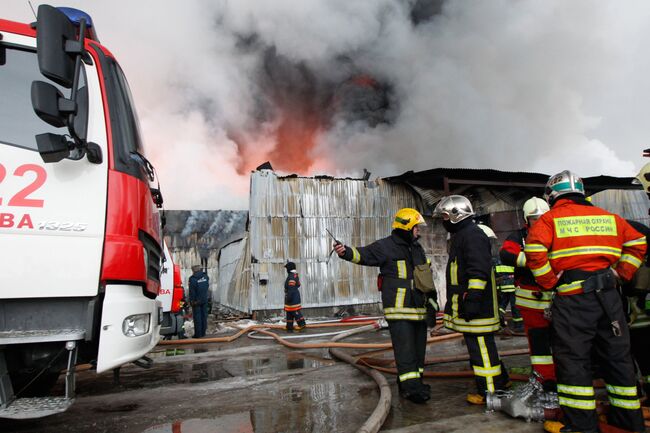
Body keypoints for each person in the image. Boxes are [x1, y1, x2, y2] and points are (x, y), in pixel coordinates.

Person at [525, 170, 646, 433]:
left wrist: (549, 282)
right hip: (609, 299)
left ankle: (582, 426)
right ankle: (629, 423)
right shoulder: (610, 218)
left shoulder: (549, 220)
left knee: (574, 362)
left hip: (573, 301)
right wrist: (621, 273)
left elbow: (534, 251)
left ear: (553, 194)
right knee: (618, 359)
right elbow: (639, 241)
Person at [334, 207, 436, 404]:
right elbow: (362, 254)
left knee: (418, 352)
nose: (419, 231)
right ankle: (411, 389)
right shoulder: (385, 246)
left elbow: (426, 277)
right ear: (406, 227)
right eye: (416, 227)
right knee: (405, 351)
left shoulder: (417, 248)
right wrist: (345, 251)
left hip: (418, 309)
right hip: (399, 309)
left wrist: (432, 303)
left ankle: (414, 383)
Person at [433, 196, 508, 405]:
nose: (443, 222)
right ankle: (501, 381)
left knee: (482, 351)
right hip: (470, 306)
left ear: (456, 216)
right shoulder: (462, 235)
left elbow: (478, 270)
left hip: (477, 308)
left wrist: (473, 299)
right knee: (481, 350)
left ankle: (492, 394)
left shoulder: (472, 236)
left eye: (445, 217)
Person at [499, 197, 556, 391]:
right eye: (534, 219)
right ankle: (544, 378)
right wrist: (535, 260)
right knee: (539, 344)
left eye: (543, 217)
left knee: (563, 341)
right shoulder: (519, 237)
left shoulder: (557, 233)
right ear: (526, 220)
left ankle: (564, 375)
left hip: (559, 297)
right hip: (532, 300)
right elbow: (506, 253)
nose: (539, 222)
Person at [623, 220, 650, 403]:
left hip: (635, 314)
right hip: (635, 312)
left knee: (637, 352)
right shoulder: (635, 230)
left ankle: (636, 393)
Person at [284, 261, 307, 332]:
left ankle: (302, 324)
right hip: (292, 297)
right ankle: (289, 326)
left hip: (292, 298)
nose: (286, 270)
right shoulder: (294, 275)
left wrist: (289, 297)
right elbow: (298, 284)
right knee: (289, 312)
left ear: (289, 269)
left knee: (295, 312)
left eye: (287, 268)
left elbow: (291, 288)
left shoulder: (291, 276)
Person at [189, 264, 210, 339]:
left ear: (194, 270)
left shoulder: (192, 279)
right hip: (204, 299)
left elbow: (192, 291)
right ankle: (203, 333)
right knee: (204, 316)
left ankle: (198, 335)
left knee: (197, 318)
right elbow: (207, 286)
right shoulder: (205, 277)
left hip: (196, 301)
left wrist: (192, 301)